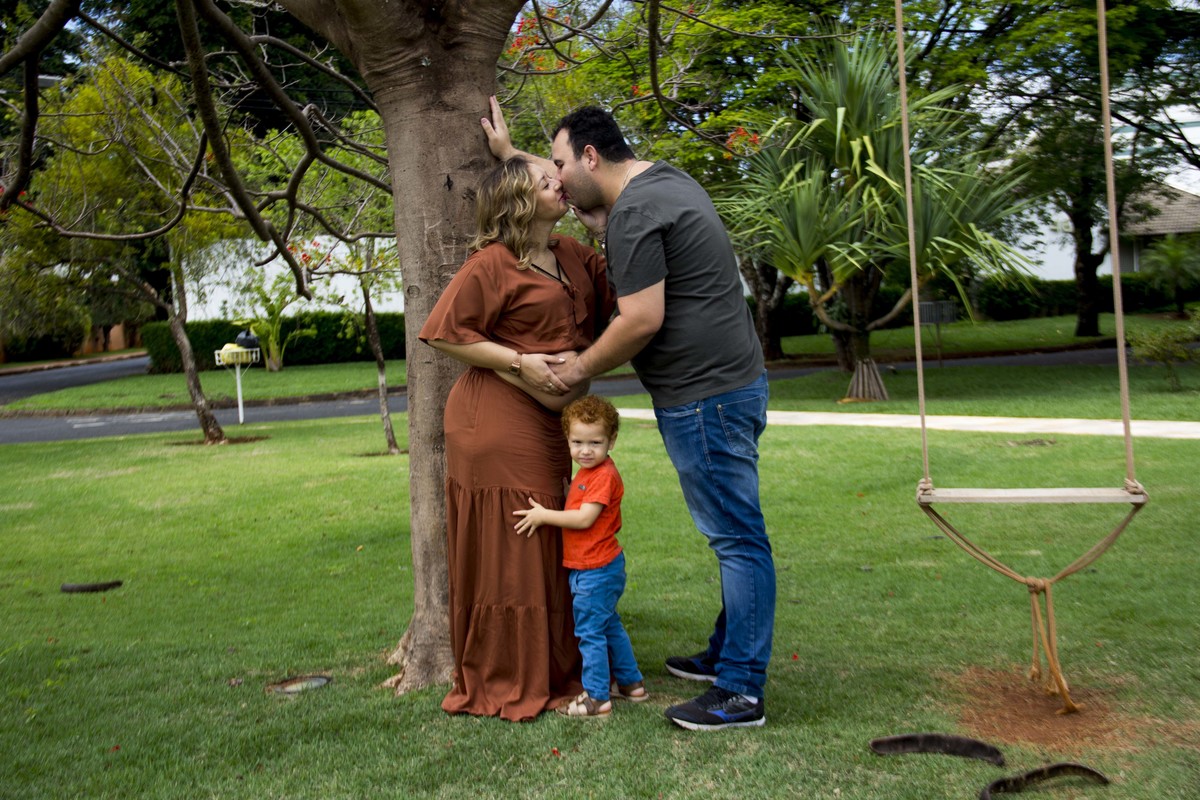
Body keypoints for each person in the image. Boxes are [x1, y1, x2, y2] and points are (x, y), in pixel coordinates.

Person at [483, 98, 775, 731]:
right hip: (733, 386)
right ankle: (727, 652)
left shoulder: (636, 212)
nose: (555, 178)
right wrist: (511, 156)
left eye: (559, 164)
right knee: (735, 532)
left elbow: (640, 319)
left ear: (590, 156)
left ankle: (741, 690)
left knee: (737, 538)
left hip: (706, 398)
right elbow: (577, 187)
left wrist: (577, 369)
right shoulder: (663, 181)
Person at [418, 156, 615, 722]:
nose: (560, 182)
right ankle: (510, 674)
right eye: (546, 181)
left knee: (548, 538)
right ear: (520, 204)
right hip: (494, 420)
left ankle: (553, 665)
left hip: (550, 423)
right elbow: (443, 333)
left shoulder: (572, 255)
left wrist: (602, 221)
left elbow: (619, 291)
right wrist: (518, 363)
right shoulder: (493, 263)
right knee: (518, 543)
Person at [513, 395, 648, 718]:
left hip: (595, 569)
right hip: (596, 566)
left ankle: (597, 698)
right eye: (577, 442)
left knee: (590, 633)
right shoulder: (588, 473)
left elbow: (585, 519)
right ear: (568, 439)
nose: (585, 450)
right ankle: (631, 684)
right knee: (608, 625)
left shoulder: (603, 475)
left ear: (611, 441)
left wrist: (544, 515)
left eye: (595, 443)